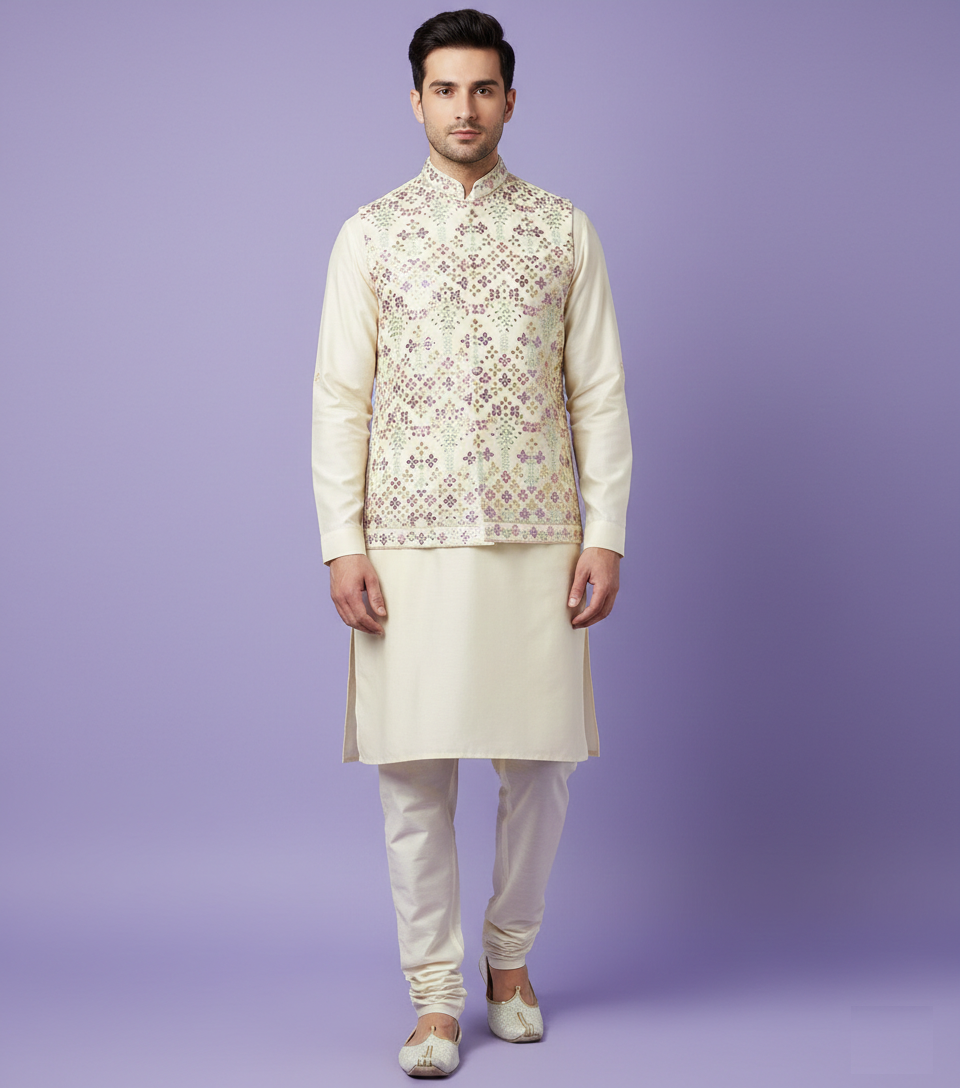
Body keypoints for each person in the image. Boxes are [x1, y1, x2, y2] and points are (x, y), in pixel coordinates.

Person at [312, 9, 632, 1077]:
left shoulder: (562, 230)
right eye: (445, 89)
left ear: (510, 100)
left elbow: (598, 392)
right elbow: (340, 398)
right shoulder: (370, 233)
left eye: (483, 88)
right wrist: (341, 542)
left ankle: (511, 962)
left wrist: (606, 532)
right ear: (416, 101)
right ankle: (436, 1000)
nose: (465, 108)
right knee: (412, 775)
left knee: (541, 768)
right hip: (405, 541)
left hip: (540, 536)